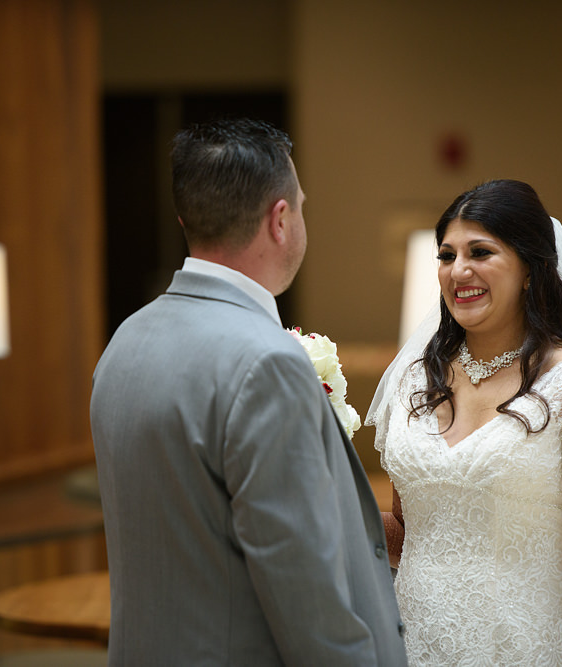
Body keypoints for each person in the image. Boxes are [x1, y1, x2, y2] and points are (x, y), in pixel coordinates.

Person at [90, 118, 407, 666]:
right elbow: (305, 590)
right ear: (280, 220)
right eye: (301, 206)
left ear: (187, 217)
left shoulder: (125, 342)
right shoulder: (266, 363)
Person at [367, 179, 562, 667]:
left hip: (525, 646)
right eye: (447, 255)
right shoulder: (417, 379)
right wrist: (328, 504)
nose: (459, 271)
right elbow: (414, 529)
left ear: (531, 270)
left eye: (480, 252)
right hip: (418, 644)